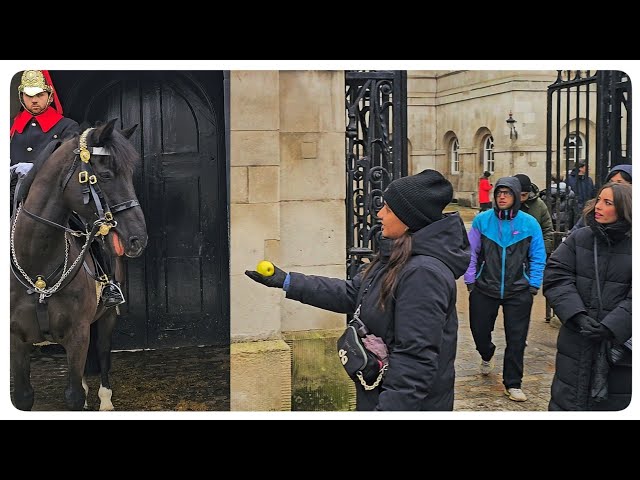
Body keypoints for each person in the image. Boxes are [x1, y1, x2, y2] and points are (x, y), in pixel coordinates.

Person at [246, 169, 471, 411]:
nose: (380, 213)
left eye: (388, 209)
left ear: (408, 219)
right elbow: (353, 294)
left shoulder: (423, 273)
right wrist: (287, 281)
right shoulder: (397, 256)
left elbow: (414, 361)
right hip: (378, 393)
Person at [10, 70, 125, 308]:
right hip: (15, 193)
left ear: (49, 96)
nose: (34, 100)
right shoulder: (11, 127)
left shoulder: (66, 127)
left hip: (54, 197)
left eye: (39, 95)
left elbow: (70, 163)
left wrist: (35, 170)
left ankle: (107, 282)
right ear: (21, 97)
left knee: (92, 230)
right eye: (28, 96)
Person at [543, 182, 631, 411]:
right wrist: (577, 315)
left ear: (624, 208)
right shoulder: (579, 237)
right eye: (599, 199)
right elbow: (556, 275)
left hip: (618, 346)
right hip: (576, 338)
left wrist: (612, 326)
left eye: (608, 202)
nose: (598, 206)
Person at [464, 176, 546, 402]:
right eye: (499, 192)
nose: (502, 196)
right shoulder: (482, 221)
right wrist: (471, 279)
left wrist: (533, 283)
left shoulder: (529, 223)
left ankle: (513, 383)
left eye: (507, 193)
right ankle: (486, 353)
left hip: (518, 290)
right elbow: (471, 251)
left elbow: (538, 256)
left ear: (517, 197)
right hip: (484, 288)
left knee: (517, 338)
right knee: (479, 331)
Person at [568, 164, 632, 234]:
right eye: (611, 181)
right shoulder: (592, 209)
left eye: (619, 182)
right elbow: (574, 234)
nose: (614, 185)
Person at [515, 173, 553, 255]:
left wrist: (544, 251)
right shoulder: (505, 204)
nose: (520, 198)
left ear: (529, 192)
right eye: (518, 195)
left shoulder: (539, 205)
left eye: (524, 195)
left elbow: (547, 230)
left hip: (533, 250)